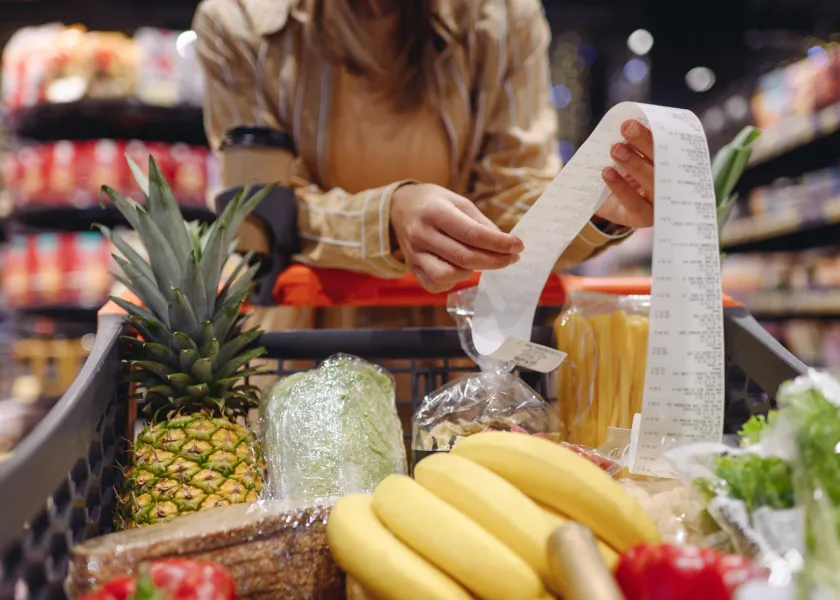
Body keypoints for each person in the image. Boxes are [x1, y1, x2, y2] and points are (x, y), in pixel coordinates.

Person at [192, 0, 657, 302]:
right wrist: (386, 218)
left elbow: (513, 197)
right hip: (303, 345)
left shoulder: (504, 17)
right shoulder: (237, 22)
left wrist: (596, 207)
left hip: (460, 346)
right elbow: (257, 217)